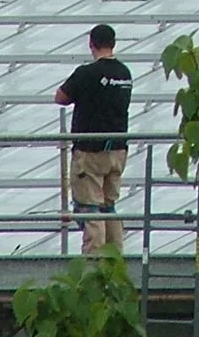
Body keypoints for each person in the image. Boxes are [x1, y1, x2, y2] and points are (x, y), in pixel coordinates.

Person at [56, 23, 134, 254]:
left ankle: (95, 264)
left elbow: (61, 97)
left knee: (90, 209)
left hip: (90, 152)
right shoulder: (124, 74)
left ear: (91, 44)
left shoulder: (86, 73)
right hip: (118, 150)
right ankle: (115, 258)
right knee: (109, 207)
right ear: (113, 44)